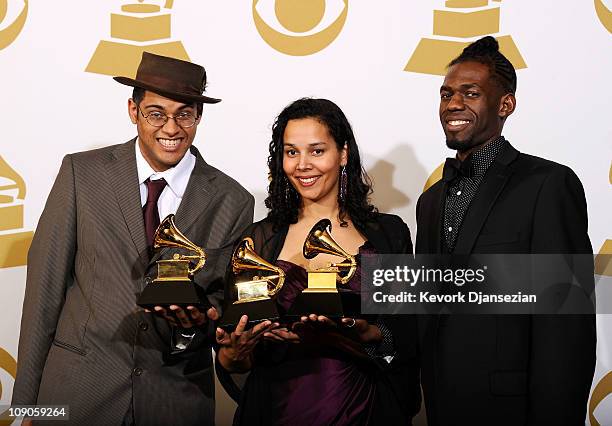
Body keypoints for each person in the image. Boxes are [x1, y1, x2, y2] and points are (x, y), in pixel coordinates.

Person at [12, 52, 254, 425]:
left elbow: (225, 306)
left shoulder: (232, 200)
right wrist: (27, 408)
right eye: (156, 113)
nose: (171, 128)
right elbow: (44, 292)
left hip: (175, 400)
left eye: (184, 114)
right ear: (132, 110)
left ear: (199, 117)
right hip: (77, 392)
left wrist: (197, 324)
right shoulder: (81, 174)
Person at [415, 36, 596, 425]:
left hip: (513, 409)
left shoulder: (548, 184)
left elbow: (565, 328)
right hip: (441, 407)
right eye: (446, 94)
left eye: (470, 93)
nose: (453, 104)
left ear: (505, 104)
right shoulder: (429, 202)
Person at [215, 98, 420, 425]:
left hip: (368, 411)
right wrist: (233, 353)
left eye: (317, 150)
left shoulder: (389, 235)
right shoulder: (259, 242)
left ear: (343, 154)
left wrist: (368, 333)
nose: (302, 164)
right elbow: (237, 354)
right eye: (291, 151)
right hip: (275, 411)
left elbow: (407, 333)